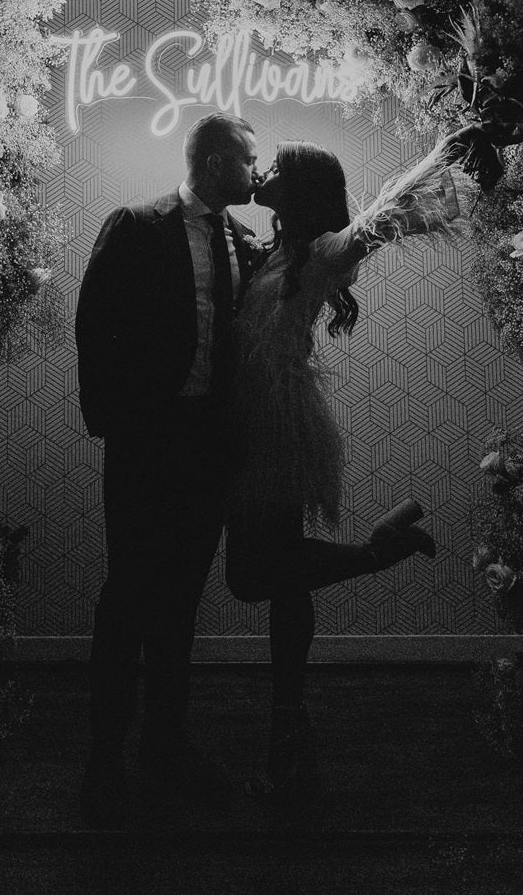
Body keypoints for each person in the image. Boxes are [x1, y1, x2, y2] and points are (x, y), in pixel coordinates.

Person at [224, 133, 464, 798]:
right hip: (258, 424)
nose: (263, 172)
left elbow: (385, 215)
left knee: (252, 576)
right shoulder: (276, 250)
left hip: (278, 427)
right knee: (281, 575)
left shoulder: (327, 250)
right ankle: (287, 722)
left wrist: (445, 149)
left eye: (277, 167)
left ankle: (373, 553)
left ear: (299, 189)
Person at [75, 111, 261, 829]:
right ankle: (103, 763)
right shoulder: (135, 225)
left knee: (181, 601)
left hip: (208, 446)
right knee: (126, 601)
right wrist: (118, 427)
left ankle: (165, 748)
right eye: (249, 160)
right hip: (146, 444)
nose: (258, 172)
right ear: (215, 163)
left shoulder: (243, 241)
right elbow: (96, 326)